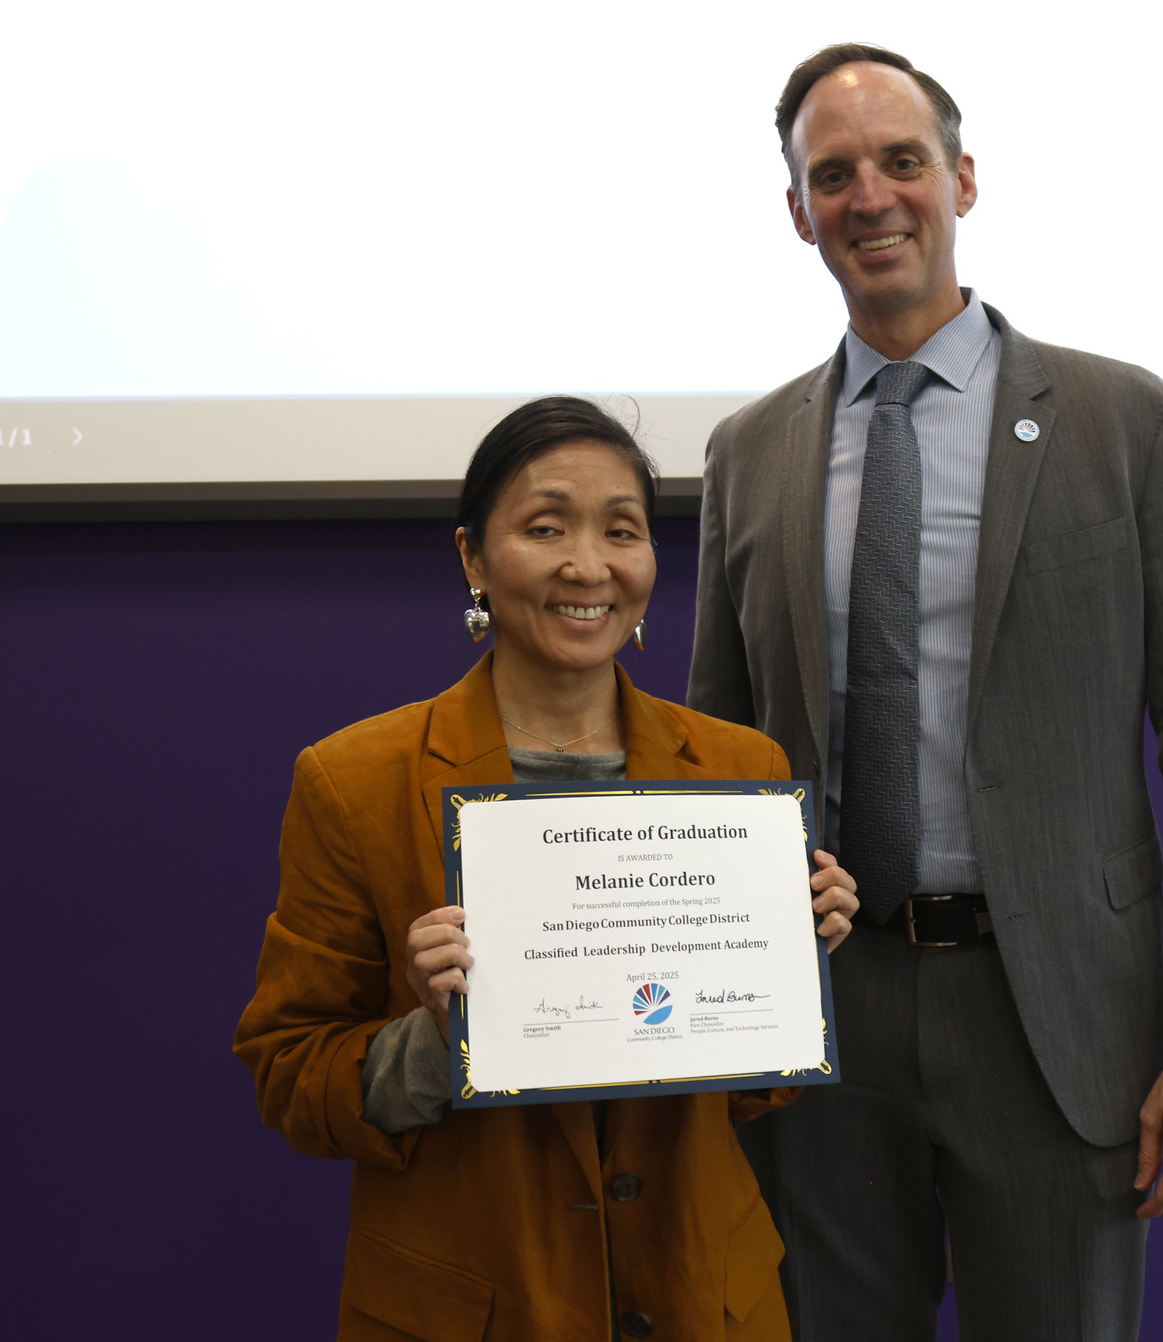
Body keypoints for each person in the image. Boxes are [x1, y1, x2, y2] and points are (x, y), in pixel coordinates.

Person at [687, 45, 1163, 1341]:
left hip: (1055, 1019)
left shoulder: (1123, 420)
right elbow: (711, 763)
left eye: (901, 161)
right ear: (797, 213)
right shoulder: (747, 456)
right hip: (824, 1019)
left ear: (961, 178)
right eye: (831, 174)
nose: (872, 196)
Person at [235, 397, 861, 1342]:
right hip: (475, 1307)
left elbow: (749, 1089)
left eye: (622, 530)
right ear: (474, 558)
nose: (588, 564)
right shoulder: (354, 779)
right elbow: (289, 1075)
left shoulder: (744, 772)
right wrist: (439, 1035)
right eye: (545, 526)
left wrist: (793, 963)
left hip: (704, 1294)